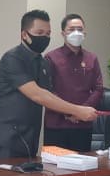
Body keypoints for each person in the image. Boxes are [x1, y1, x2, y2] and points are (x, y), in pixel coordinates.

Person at [0, 10, 98, 161]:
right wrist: (77, 110)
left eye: (48, 33)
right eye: (39, 33)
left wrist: (71, 113)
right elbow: (38, 94)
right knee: (5, 175)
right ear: (24, 35)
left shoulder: (42, 62)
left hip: (30, 136)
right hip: (6, 137)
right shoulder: (12, 58)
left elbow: (49, 94)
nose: (44, 38)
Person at [43, 14, 103, 152]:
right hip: (57, 124)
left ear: (85, 33)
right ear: (63, 33)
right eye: (71, 29)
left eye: (80, 29)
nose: (76, 33)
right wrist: (70, 112)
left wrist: (81, 112)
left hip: (83, 126)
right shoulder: (51, 57)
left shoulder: (92, 58)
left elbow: (98, 89)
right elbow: (48, 91)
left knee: (83, 163)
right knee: (54, 164)